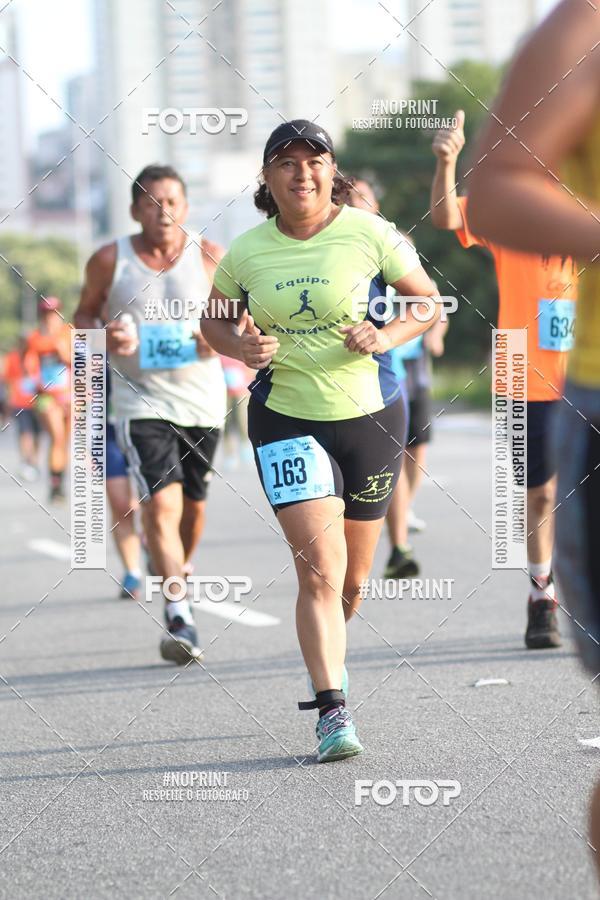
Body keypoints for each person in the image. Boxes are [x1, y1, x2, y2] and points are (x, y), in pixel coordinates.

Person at [202, 120, 439, 762]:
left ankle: (326, 657)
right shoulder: (247, 252)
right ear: (267, 177)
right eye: (287, 163)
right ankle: (332, 708)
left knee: (353, 583)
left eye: (315, 162)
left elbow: (428, 303)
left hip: (370, 416)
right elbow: (213, 324)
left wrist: (385, 337)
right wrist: (240, 345)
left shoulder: (371, 233)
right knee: (320, 571)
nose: (302, 174)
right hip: (284, 417)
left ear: (333, 172)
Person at [463, 0, 600, 868]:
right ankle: (539, 585)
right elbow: (492, 187)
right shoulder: (585, 25)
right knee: (536, 492)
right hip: (551, 377)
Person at [430, 109, 578, 649]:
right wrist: (447, 162)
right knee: (539, 494)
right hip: (523, 374)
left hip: (589, 375)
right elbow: (447, 218)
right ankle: (542, 596)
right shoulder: (512, 220)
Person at [74, 164, 226, 664]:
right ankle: (179, 613)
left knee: (193, 508)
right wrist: (104, 335)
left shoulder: (209, 256)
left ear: (187, 206)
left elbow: (237, 316)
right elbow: (84, 314)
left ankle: (178, 569)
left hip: (203, 401)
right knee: (162, 506)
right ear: (136, 210)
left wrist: (215, 338)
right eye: (153, 204)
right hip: (139, 399)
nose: (165, 213)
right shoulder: (109, 259)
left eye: (174, 202)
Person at [346, 177, 448, 578]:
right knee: (391, 454)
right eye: (351, 197)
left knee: (416, 452)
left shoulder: (393, 241)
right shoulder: (331, 247)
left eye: (365, 198)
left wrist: (435, 334)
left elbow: (431, 298)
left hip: (411, 361)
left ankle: (396, 513)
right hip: (371, 369)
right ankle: (399, 544)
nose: (359, 204)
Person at [26, 297, 71, 502]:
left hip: (70, 395)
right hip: (48, 397)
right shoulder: (35, 338)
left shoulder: (70, 332)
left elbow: (85, 361)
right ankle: (54, 486)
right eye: (47, 314)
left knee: (65, 442)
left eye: (54, 313)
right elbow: (31, 367)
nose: (51, 317)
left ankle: (59, 483)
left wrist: (65, 355)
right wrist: (39, 384)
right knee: (57, 437)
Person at [105, 362, 143, 599]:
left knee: (155, 503)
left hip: (149, 424)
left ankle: (153, 541)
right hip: (109, 429)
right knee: (122, 505)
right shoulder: (92, 336)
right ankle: (132, 572)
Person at [2, 334, 42, 482]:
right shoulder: (13, 357)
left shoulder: (36, 356)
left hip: (38, 401)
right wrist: (9, 400)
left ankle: (34, 461)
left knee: (37, 433)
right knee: (25, 432)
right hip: (20, 402)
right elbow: (9, 380)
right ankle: (26, 461)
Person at [220, 355, 254, 469]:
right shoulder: (222, 351)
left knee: (243, 421)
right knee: (227, 424)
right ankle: (230, 455)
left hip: (241, 392)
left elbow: (251, 370)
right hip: (225, 392)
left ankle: (246, 448)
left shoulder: (242, 349)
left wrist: (243, 376)